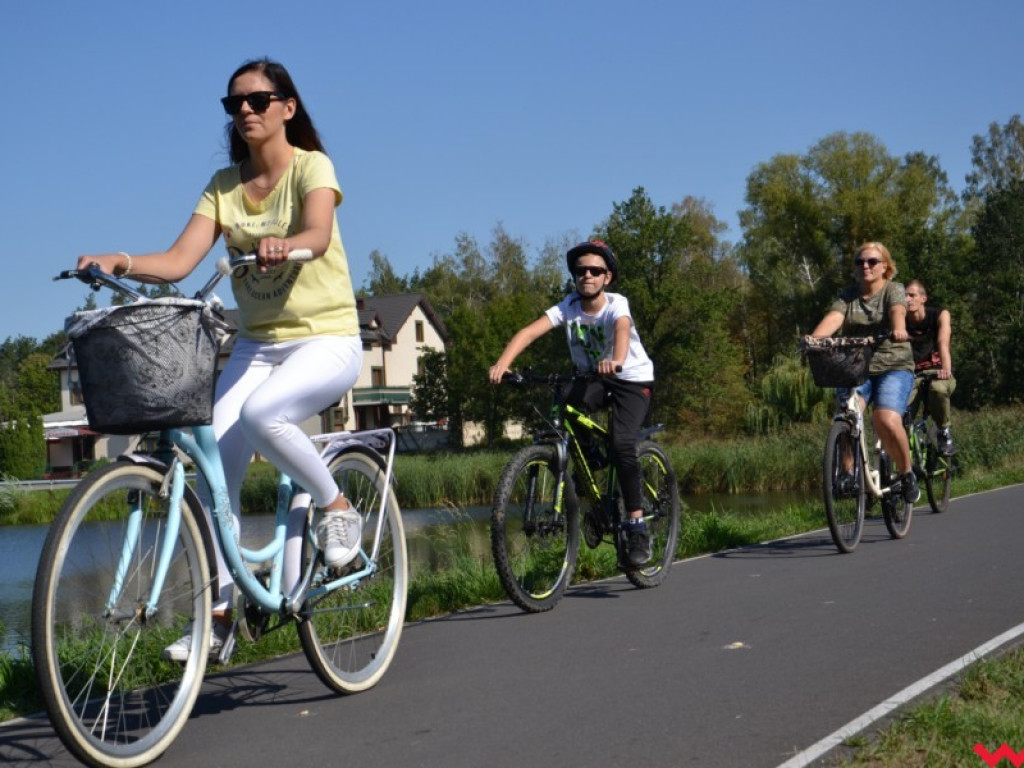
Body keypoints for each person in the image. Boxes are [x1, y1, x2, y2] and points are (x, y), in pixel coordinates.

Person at [76, 58, 363, 661]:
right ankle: (221, 614)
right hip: (257, 346)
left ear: (287, 107)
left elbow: (317, 232)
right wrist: (120, 261)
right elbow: (179, 261)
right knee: (212, 474)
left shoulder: (311, 166)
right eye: (235, 104)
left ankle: (337, 505)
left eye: (258, 100)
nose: (245, 112)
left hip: (327, 338)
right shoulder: (223, 186)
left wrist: (287, 244)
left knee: (263, 415)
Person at [488, 240, 656, 567]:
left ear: (607, 277)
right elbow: (528, 333)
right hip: (593, 378)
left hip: (631, 379)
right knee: (564, 402)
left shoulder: (616, 304)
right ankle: (590, 457)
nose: (587, 276)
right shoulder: (568, 306)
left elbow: (622, 329)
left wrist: (616, 360)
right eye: (581, 271)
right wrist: (503, 364)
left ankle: (637, 526)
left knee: (621, 442)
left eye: (595, 270)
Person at [808, 242, 920, 503]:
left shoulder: (893, 289)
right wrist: (814, 340)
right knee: (847, 414)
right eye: (860, 262)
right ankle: (848, 474)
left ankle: (906, 473)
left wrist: (899, 328)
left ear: (885, 266)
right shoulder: (848, 295)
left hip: (893, 365)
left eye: (872, 261)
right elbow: (834, 318)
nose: (865, 266)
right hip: (857, 366)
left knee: (885, 419)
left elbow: (897, 310)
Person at [905, 280, 956, 455]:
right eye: (905, 296)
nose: (907, 299)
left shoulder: (939, 315)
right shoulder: (900, 320)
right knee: (898, 409)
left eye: (912, 295)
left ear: (923, 298)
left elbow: (943, 342)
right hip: (911, 375)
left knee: (938, 389)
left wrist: (946, 368)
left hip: (937, 372)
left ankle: (943, 431)